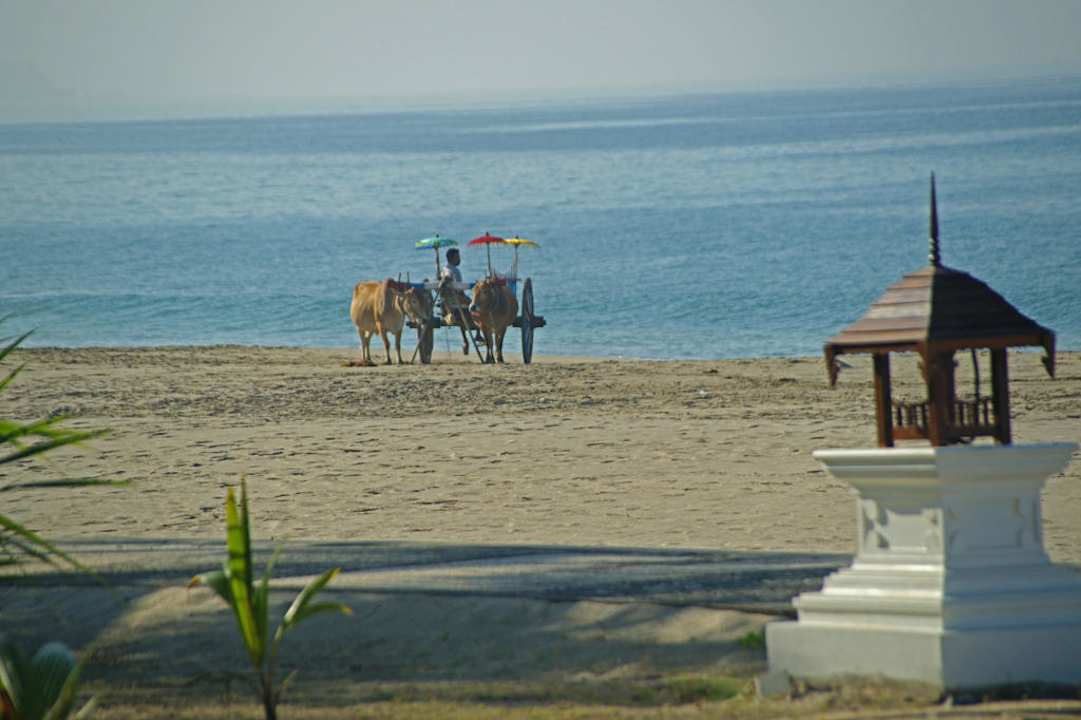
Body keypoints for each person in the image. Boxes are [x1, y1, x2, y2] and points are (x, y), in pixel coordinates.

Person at [438, 248, 476, 354]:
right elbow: (459, 291)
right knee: (475, 305)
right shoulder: (455, 271)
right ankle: (477, 333)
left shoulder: (444, 269)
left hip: (446, 303)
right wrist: (468, 299)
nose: (460, 259)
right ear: (453, 258)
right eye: (458, 257)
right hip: (456, 302)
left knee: (463, 311)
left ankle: (465, 341)